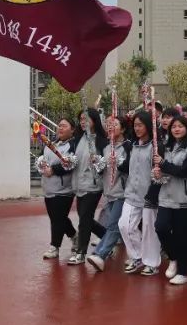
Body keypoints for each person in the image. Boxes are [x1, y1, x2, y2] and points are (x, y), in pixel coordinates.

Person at [154, 114, 187, 285]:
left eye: (180, 126)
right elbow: (163, 170)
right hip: (166, 195)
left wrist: (164, 165)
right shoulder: (166, 147)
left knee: (183, 235)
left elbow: (184, 171)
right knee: (161, 227)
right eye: (174, 127)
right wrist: (158, 172)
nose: (177, 129)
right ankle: (173, 257)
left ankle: (184, 272)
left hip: (185, 198)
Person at [86, 116, 130, 272]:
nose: (110, 127)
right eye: (109, 125)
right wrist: (96, 164)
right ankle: (105, 251)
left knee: (113, 225)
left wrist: (119, 162)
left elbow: (129, 168)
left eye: (115, 125)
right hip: (109, 192)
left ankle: (100, 254)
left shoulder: (128, 146)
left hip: (122, 192)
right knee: (115, 226)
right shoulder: (106, 147)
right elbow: (102, 171)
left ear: (123, 128)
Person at [119, 110, 160, 275]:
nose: (137, 128)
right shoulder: (133, 146)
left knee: (150, 230)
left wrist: (153, 191)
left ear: (148, 126)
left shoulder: (155, 146)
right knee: (124, 225)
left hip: (149, 195)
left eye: (140, 125)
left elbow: (158, 173)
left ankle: (151, 262)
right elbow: (128, 167)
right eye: (135, 125)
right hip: (131, 193)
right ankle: (136, 257)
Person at [69, 108, 108, 264]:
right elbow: (74, 159)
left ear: (94, 121)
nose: (83, 122)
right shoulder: (78, 139)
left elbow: (104, 165)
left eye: (86, 119)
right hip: (79, 184)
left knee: (84, 219)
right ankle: (108, 237)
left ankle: (81, 252)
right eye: (81, 119)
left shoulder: (101, 141)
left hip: (93, 186)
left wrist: (97, 162)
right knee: (85, 218)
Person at [39, 117, 77, 260]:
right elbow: (43, 157)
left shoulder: (73, 145)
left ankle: (54, 247)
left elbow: (71, 163)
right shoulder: (51, 143)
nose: (60, 128)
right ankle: (74, 236)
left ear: (72, 129)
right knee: (58, 217)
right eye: (59, 125)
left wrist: (53, 170)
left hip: (64, 189)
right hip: (48, 187)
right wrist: (41, 165)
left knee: (57, 219)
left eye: (64, 126)